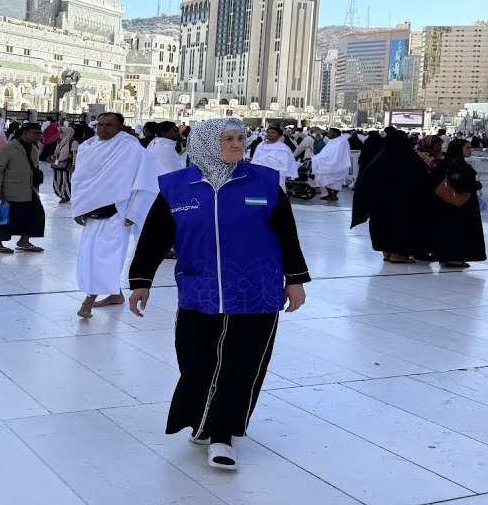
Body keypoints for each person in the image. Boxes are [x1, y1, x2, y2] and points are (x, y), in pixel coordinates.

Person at [127, 117, 308, 471]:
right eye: (228, 139)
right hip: (199, 289)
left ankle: (222, 435)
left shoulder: (265, 183)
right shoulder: (176, 187)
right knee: (196, 362)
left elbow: (287, 235)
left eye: (241, 138)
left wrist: (295, 279)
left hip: (257, 291)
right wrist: (140, 281)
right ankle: (202, 419)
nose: (238, 145)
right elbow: (153, 239)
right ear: (208, 143)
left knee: (243, 365)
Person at [70, 112, 160, 319]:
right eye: (100, 124)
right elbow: (80, 180)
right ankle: (115, 294)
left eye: (109, 125)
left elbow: (147, 180)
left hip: (118, 213)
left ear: (120, 127)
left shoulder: (130, 148)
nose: (103, 129)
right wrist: (78, 207)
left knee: (105, 257)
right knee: (90, 254)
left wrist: (136, 211)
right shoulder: (88, 147)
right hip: (92, 212)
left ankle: (88, 302)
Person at [351, 130, 430, 263]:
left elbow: (367, 177)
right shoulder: (409, 158)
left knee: (382, 225)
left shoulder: (380, 158)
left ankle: (387, 252)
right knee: (400, 225)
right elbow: (420, 179)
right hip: (403, 202)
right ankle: (398, 254)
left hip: (381, 203)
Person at [425, 138, 485, 268]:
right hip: (459, 205)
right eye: (467, 148)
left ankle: (445, 255)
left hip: (445, 204)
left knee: (447, 230)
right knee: (458, 230)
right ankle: (454, 257)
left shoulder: (445, 163)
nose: (471, 150)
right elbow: (459, 184)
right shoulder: (457, 164)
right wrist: (474, 185)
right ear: (459, 149)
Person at [0, 121, 45, 253]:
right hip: (10, 190)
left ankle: (24, 240)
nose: (38, 136)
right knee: (4, 217)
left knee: (35, 214)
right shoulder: (7, 148)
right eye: (36, 133)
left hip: (29, 189)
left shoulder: (34, 149)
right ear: (25, 133)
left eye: (39, 133)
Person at [311, 127, 351, 201]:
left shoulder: (342, 141)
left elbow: (339, 154)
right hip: (328, 164)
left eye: (329, 133)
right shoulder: (331, 141)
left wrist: (333, 160)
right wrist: (316, 158)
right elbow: (326, 152)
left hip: (338, 164)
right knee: (326, 179)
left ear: (335, 134)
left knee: (336, 181)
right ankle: (329, 194)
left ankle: (334, 195)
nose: (327, 134)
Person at [49, 124, 79, 203]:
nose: (60, 134)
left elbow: (74, 155)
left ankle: (66, 196)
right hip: (58, 165)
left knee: (66, 182)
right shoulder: (60, 142)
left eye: (62, 132)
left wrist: (73, 166)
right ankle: (61, 195)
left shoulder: (73, 142)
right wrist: (53, 156)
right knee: (57, 181)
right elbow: (57, 153)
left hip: (67, 166)